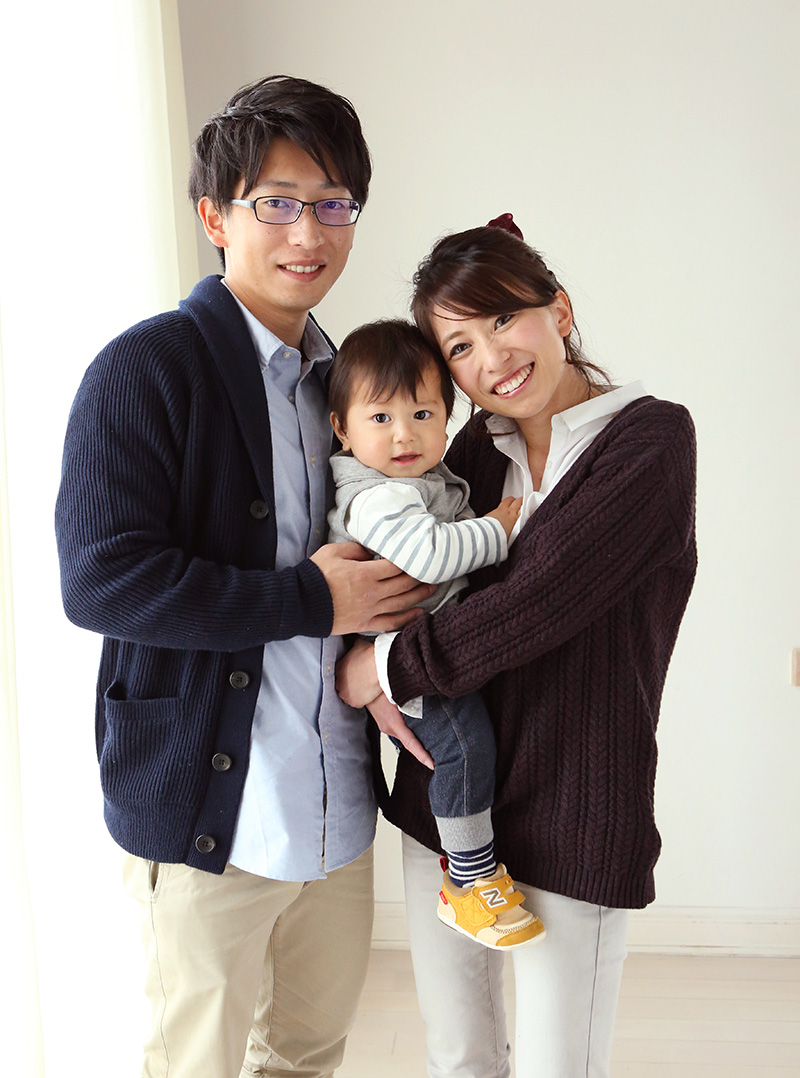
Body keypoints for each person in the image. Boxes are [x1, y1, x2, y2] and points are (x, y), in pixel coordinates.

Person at [54, 75, 434, 1078]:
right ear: (214, 216)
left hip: (334, 814)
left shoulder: (348, 383)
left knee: (305, 1057)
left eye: (333, 203)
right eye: (276, 202)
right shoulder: (144, 370)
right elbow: (100, 580)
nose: (308, 232)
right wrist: (309, 598)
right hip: (208, 819)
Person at [335, 215, 698, 1077]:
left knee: (553, 1067)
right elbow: (394, 571)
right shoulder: (467, 453)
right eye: (459, 347)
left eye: (504, 319)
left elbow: (535, 605)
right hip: (448, 804)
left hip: (576, 804)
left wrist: (377, 669)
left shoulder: (650, 442)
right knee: (458, 1056)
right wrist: (358, 643)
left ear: (559, 311)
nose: (492, 358)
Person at [327, 318, 544, 950]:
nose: (404, 434)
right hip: (407, 657)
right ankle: (468, 881)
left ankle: (472, 870)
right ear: (342, 429)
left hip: (421, 648)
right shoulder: (377, 496)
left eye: (422, 414)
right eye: (381, 418)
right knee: (465, 749)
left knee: (473, 747)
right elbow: (427, 556)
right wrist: (496, 530)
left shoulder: (416, 480)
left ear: (448, 418)